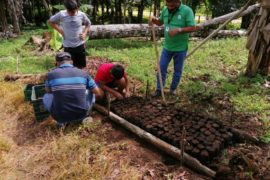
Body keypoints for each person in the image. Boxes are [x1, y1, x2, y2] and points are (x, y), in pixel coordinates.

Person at [149, 0, 200, 96]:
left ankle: (172, 90)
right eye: (168, 5)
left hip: (180, 48)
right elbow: (160, 22)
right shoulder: (165, 9)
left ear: (178, 2)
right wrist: (153, 20)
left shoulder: (187, 11)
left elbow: (193, 27)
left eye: (172, 5)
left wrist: (178, 30)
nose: (170, 8)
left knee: (177, 70)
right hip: (167, 46)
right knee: (161, 68)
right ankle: (159, 89)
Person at [43, 52, 101, 126]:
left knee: (46, 96)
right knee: (91, 91)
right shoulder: (83, 73)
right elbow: (97, 92)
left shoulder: (51, 74)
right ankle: (84, 117)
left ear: (57, 63)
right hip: (81, 114)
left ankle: (61, 122)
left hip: (59, 116)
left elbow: (48, 91)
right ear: (71, 62)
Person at [48, 0, 91, 69]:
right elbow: (51, 21)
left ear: (77, 8)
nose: (71, 14)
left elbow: (88, 23)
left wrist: (84, 33)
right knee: (69, 66)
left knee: (80, 66)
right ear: (66, 9)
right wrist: (60, 31)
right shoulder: (61, 14)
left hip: (79, 44)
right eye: (69, 12)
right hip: (67, 45)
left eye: (73, 12)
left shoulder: (81, 15)